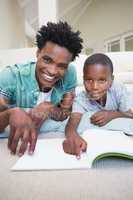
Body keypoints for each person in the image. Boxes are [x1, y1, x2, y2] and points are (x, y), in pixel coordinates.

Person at [0, 21, 83, 156]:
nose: (52, 71)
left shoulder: (70, 74)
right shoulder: (11, 76)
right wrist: (11, 113)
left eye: (61, 66)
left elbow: (65, 113)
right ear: (38, 53)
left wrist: (50, 108)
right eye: (47, 60)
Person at [63, 53, 133, 157]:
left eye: (102, 80)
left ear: (111, 80)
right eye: (89, 80)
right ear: (83, 79)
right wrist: (73, 136)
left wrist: (112, 114)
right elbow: (71, 124)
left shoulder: (117, 89)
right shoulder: (81, 99)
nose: (94, 87)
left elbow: (130, 114)